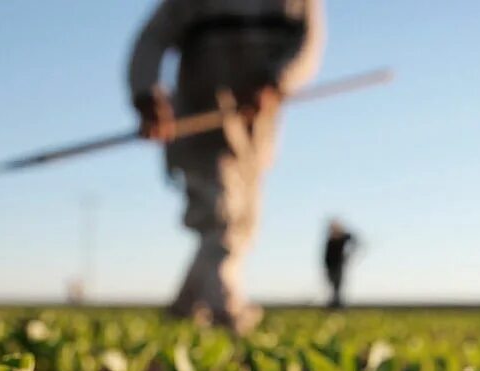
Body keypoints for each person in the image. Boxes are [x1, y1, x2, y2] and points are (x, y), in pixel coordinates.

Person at [128, 0, 326, 334]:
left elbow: (307, 45)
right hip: (200, 120)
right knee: (221, 215)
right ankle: (226, 307)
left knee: (243, 222)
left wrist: (277, 82)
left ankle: (184, 305)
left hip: (255, 130)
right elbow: (152, 40)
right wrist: (146, 94)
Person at [323, 220, 355, 308]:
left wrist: (349, 253)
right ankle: (334, 303)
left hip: (338, 266)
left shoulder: (342, 238)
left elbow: (353, 239)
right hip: (330, 267)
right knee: (333, 286)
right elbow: (326, 256)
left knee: (337, 286)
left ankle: (337, 304)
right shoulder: (330, 240)